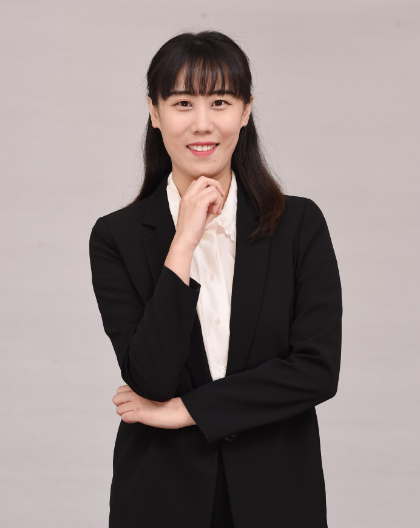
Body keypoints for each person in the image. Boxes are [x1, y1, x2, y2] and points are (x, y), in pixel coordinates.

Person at [89, 30, 342, 528]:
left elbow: (316, 370)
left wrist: (188, 410)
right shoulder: (115, 236)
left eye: (220, 102)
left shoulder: (299, 225)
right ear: (154, 112)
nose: (202, 123)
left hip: (277, 495)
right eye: (182, 103)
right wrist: (183, 243)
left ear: (246, 111)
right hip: (161, 497)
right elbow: (150, 378)